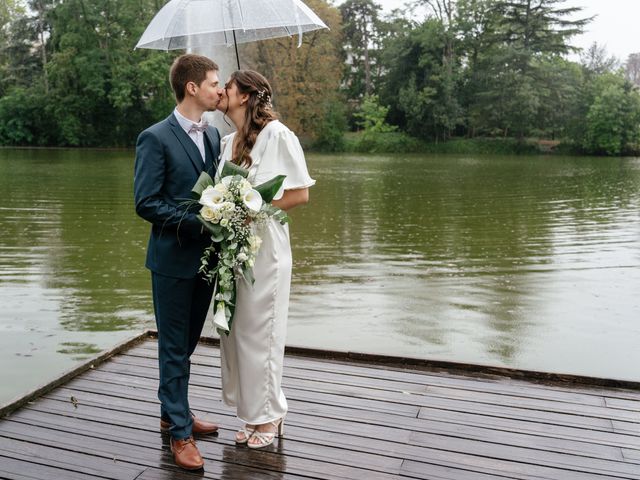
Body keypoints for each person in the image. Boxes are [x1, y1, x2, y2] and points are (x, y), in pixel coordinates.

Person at [216, 70, 315, 449]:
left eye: (228, 85)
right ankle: (252, 414)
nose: (222, 90)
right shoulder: (228, 142)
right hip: (233, 250)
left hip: (266, 250)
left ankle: (272, 416)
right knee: (237, 335)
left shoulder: (278, 135)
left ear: (245, 96)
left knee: (263, 334)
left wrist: (250, 211)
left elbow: (300, 195)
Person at [133, 53, 222, 470]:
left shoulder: (216, 135)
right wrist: (198, 222)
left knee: (185, 346)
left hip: (205, 261)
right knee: (172, 348)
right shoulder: (155, 137)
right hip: (171, 260)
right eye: (214, 83)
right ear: (192, 88)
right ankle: (180, 436)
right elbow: (146, 203)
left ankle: (175, 411)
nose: (220, 90)